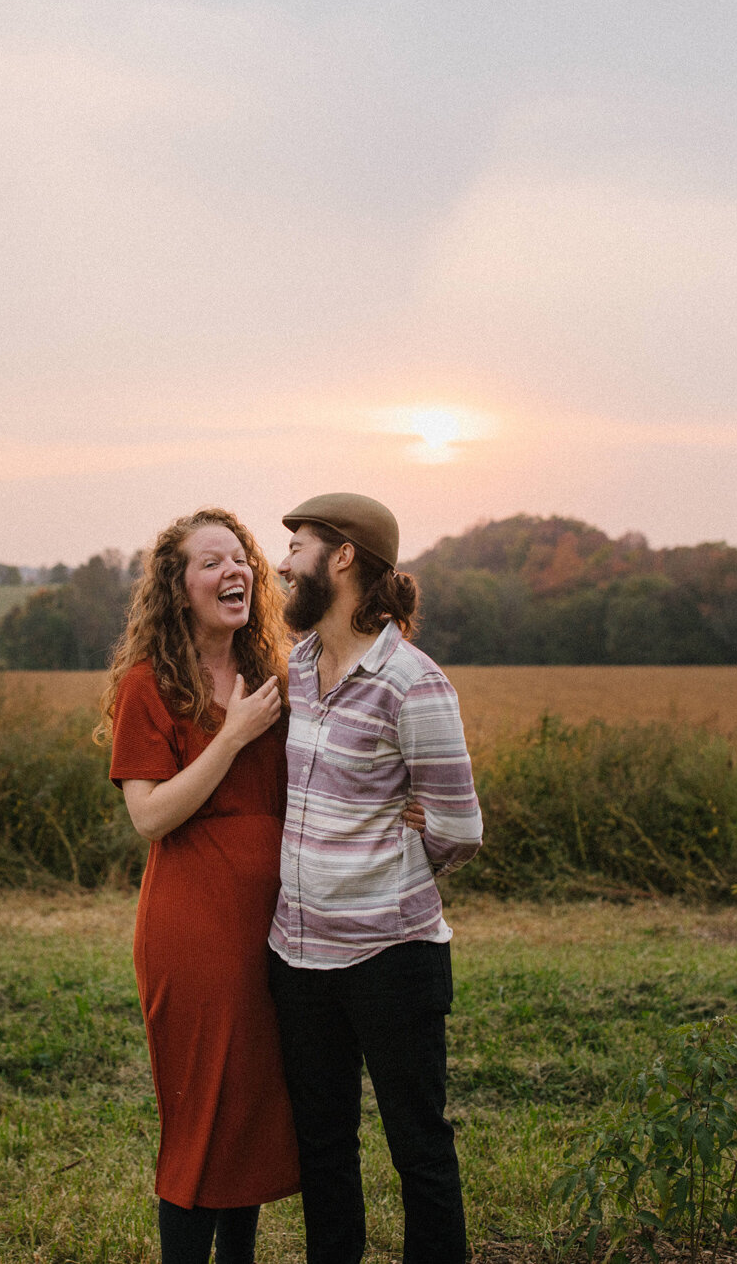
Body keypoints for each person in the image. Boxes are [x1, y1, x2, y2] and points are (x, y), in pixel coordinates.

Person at [266, 492, 485, 1264]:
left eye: (297, 547)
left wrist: (386, 874)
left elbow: (460, 827)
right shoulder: (293, 667)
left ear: (344, 556)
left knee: (417, 1147)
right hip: (296, 957)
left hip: (393, 959)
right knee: (323, 1148)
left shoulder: (414, 684)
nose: (284, 562)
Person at [101, 507, 300, 1264]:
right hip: (194, 930)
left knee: (248, 1108)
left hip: (274, 926)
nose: (235, 571)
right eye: (212, 562)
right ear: (178, 589)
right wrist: (234, 734)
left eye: (241, 557)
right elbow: (151, 815)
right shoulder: (148, 686)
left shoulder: (274, 676)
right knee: (202, 1114)